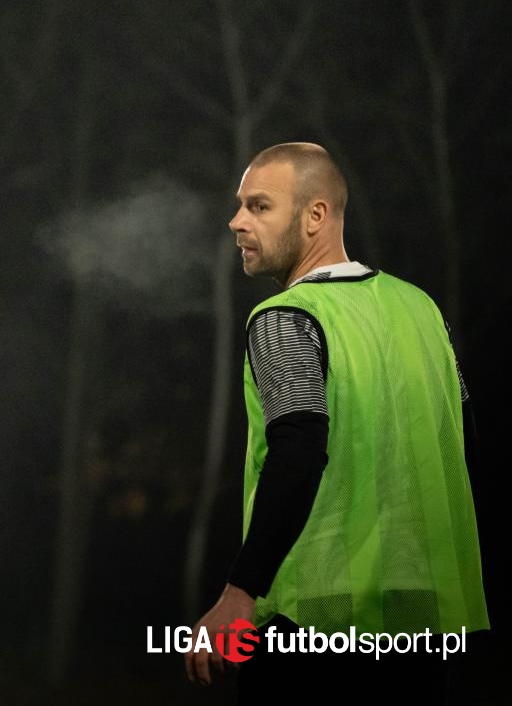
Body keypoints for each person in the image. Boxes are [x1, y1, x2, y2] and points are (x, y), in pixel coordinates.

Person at [184, 142, 490, 703]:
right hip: (423, 617)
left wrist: (241, 591)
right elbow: (461, 442)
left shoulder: (286, 316)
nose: (236, 221)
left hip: (316, 618)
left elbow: (297, 453)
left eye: (259, 206)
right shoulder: (421, 308)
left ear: (315, 215)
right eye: (240, 206)